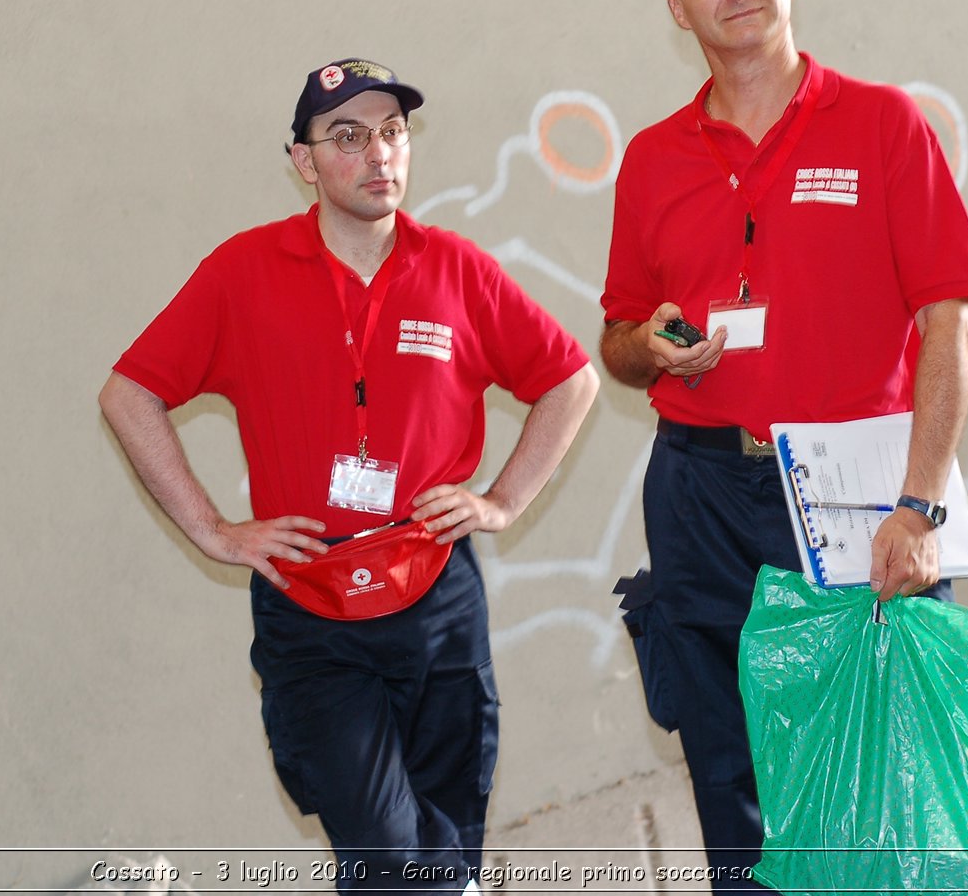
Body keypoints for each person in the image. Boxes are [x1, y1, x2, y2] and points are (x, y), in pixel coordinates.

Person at [100, 57, 599, 893]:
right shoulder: (243, 272)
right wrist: (215, 531)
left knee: (443, 839)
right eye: (349, 137)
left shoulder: (457, 270)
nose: (379, 155)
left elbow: (569, 380)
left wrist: (502, 500)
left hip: (437, 589)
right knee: (390, 852)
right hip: (310, 606)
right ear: (304, 162)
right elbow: (130, 394)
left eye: (394, 132)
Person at [599, 0, 968, 892]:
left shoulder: (881, 122)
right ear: (676, 8)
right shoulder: (652, 159)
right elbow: (616, 340)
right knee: (732, 771)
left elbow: (950, 322)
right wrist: (647, 345)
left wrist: (918, 505)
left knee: (911, 768)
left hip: (853, 486)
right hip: (698, 491)